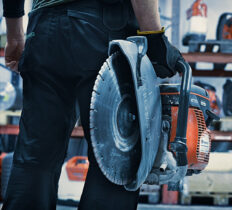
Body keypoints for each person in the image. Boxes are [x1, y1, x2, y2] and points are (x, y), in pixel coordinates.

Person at [2, 0, 183, 209]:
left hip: (44, 28)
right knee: (116, 160)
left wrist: (14, 34)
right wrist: (153, 36)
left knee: (35, 157)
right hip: (106, 26)